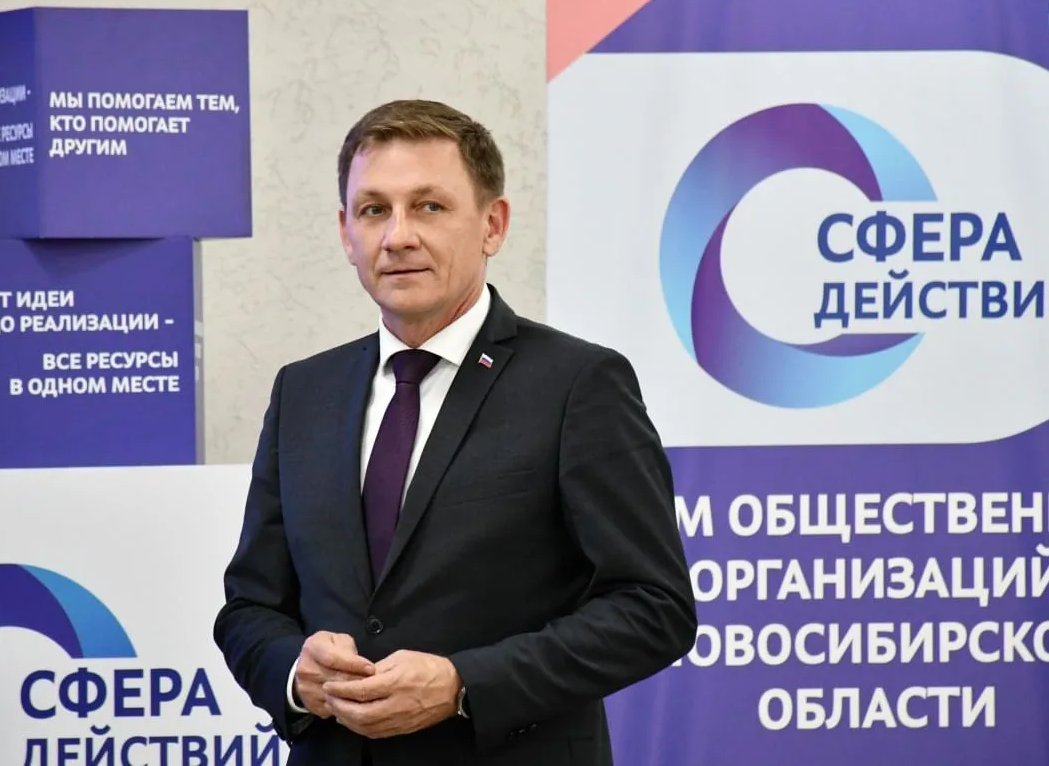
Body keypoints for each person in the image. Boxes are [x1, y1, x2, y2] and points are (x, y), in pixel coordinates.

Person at [213, 99, 696, 766]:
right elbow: (249, 607)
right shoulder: (304, 392)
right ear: (346, 232)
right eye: (373, 210)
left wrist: (464, 684)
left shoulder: (578, 384)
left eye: (429, 206)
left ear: (492, 225)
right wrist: (298, 673)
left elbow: (653, 607)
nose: (398, 236)